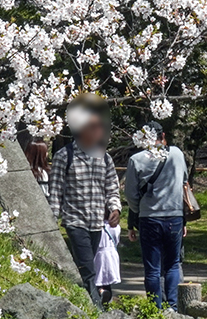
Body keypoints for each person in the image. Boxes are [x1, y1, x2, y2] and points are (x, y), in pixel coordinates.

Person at [48, 101, 122, 306]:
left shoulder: (104, 158)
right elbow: (55, 193)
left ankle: (80, 302)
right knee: (88, 268)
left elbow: (112, 187)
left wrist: (115, 208)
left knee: (85, 267)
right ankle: (96, 308)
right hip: (75, 221)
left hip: (97, 222)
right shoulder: (64, 156)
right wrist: (51, 222)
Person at [125, 121, 189, 311]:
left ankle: (155, 308)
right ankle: (172, 307)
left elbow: (130, 194)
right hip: (175, 216)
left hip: (149, 218)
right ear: (163, 136)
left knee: (152, 268)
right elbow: (184, 181)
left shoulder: (136, 159)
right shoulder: (177, 154)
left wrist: (138, 212)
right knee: (173, 264)